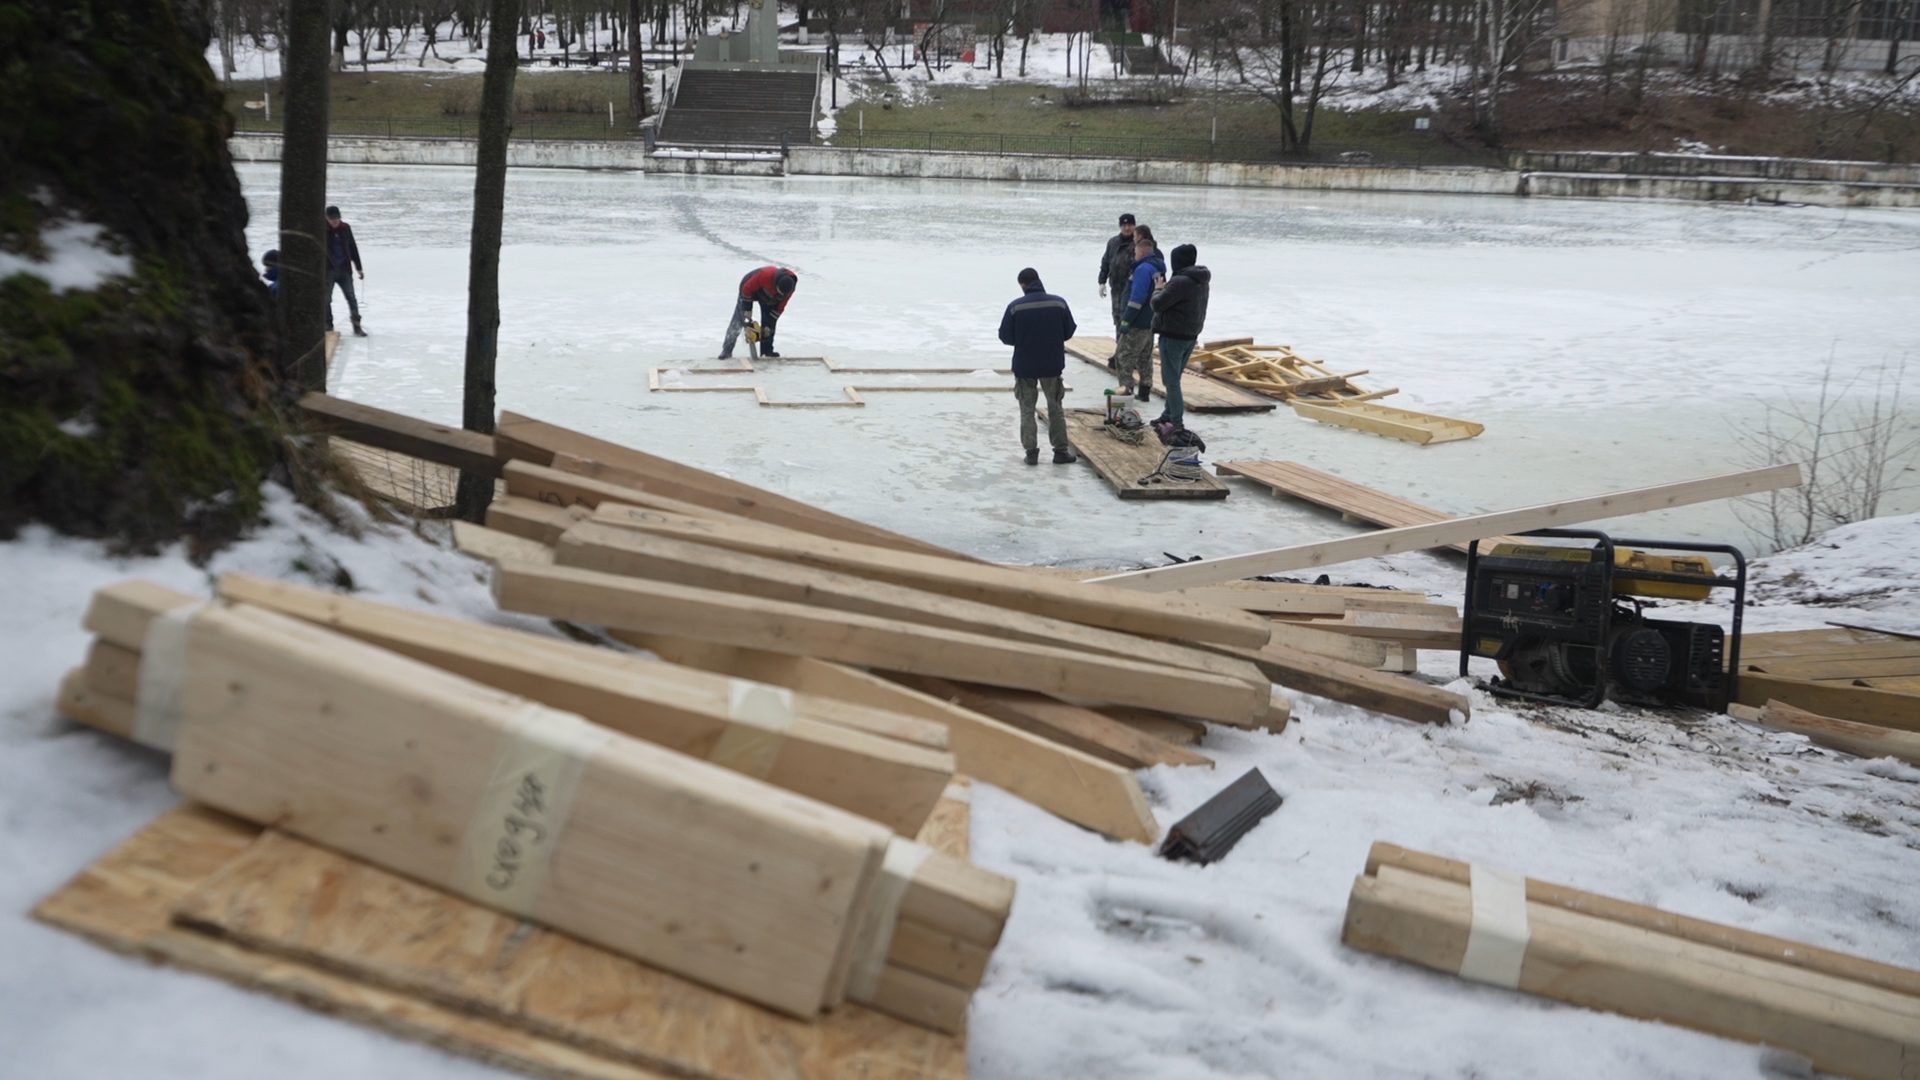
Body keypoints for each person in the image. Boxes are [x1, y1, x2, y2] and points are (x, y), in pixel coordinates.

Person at [998, 267, 1078, 466]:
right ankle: (1060, 452)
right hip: (1052, 363)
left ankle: (1031, 453)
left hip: (1024, 365)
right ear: (1038, 280)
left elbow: (1005, 337)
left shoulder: (1015, 307)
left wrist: (1024, 339)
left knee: (1027, 409)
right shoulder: (1058, 303)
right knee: (1055, 407)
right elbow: (1069, 331)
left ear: (1022, 285)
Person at [1150, 243, 1210, 429]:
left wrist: (1158, 288)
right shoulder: (1201, 279)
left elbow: (1157, 304)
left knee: (1171, 381)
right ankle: (1167, 415)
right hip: (1190, 335)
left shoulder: (1180, 282)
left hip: (1173, 335)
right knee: (1175, 378)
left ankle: (1176, 422)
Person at [1113, 231, 1165, 402]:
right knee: (1145, 356)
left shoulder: (1143, 269)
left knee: (1123, 356)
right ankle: (1144, 390)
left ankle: (1126, 391)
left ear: (1141, 252)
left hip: (1138, 321)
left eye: (1135, 252)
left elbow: (1137, 298)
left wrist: (1127, 319)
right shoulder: (1157, 267)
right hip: (1150, 320)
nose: (1134, 255)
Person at [720, 265, 798, 359]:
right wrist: (748, 309)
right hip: (748, 289)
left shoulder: (789, 288)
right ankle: (726, 350)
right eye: (780, 291)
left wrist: (769, 324)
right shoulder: (765, 275)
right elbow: (747, 289)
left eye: (783, 294)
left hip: (770, 298)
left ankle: (766, 352)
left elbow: (781, 306)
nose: (781, 294)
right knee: (738, 320)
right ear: (776, 284)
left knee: (769, 327)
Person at [324, 205, 367, 337]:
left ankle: (356, 325)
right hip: (329, 271)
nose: (335, 221)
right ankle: (328, 324)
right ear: (326, 218)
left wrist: (359, 268)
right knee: (326, 299)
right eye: (332, 219)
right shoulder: (322, 230)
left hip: (344, 270)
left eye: (336, 218)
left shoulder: (345, 228)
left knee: (351, 298)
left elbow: (352, 247)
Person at [1096, 213, 1136, 340]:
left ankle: (1129, 344)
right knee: (1117, 316)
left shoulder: (1139, 243)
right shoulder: (1113, 242)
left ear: (1134, 226)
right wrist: (1102, 281)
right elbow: (1106, 262)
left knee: (1130, 317)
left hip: (1133, 288)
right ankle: (1119, 343)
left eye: (1129, 225)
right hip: (1116, 287)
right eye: (1124, 225)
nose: (1127, 228)